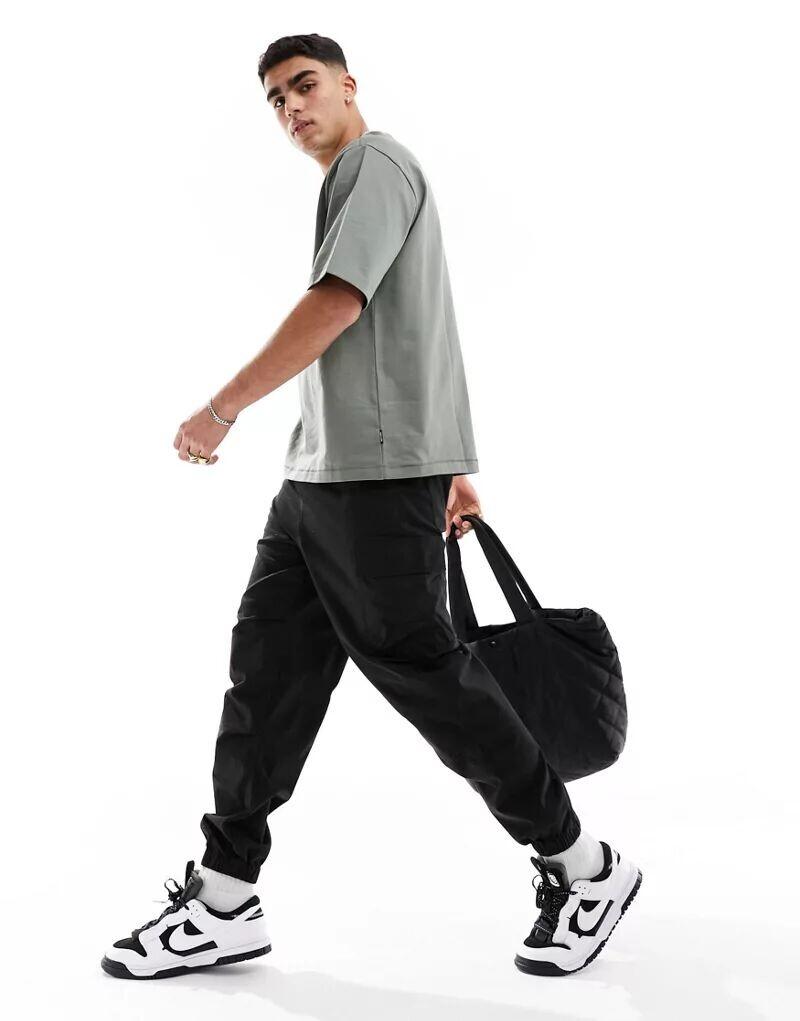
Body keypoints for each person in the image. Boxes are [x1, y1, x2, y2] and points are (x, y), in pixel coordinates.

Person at [101, 33, 641, 981]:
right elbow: (415, 319)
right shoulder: (355, 180)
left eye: (304, 85)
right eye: (275, 99)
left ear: (349, 85)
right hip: (320, 478)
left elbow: (338, 306)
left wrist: (222, 407)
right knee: (266, 676)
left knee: (429, 678)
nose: (290, 107)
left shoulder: (376, 164)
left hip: (371, 481)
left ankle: (585, 867)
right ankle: (225, 897)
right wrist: (451, 464)